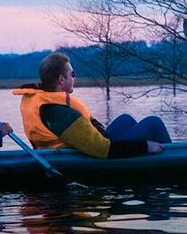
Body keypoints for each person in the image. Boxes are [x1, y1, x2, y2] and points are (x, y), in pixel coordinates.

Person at [12, 52, 171, 159]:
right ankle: (177, 162)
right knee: (153, 123)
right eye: (72, 74)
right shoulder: (57, 112)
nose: (75, 77)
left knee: (125, 120)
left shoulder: (46, 102)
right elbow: (102, 149)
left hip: (86, 149)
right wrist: (144, 146)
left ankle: (146, 162)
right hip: (91, 158)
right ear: (61, 79)